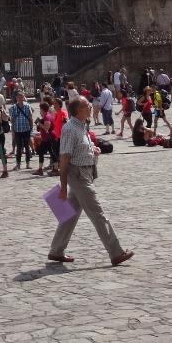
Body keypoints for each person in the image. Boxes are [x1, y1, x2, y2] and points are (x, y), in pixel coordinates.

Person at [46, 96, 133, 268]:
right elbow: (64, 159)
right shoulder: (70, 128)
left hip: (85, 173)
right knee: (98, 214)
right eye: (87, 105)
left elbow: (79, 147)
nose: (91, 107)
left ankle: (56, 250)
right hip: (78, 176)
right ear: (79, 110)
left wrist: (93, 150)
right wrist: (63, 187)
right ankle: (116, 252)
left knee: (69, 214)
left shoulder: (81, 126)